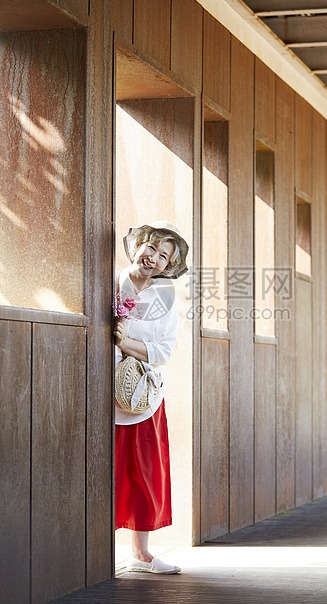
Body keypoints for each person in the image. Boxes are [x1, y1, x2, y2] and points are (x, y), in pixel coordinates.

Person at [113, 221, 189, 574]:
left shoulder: (164, 296)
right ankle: (95, 550)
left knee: (144, 470)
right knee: (105, 471)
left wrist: (125, 343)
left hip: (141, 395)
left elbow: (163, 349)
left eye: (163, 256)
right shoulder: (110, 281)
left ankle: (141, 554)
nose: (154, 258)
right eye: (152, 248)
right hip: (100, 391)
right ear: (138, 244)